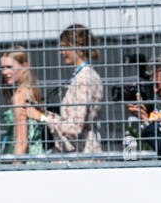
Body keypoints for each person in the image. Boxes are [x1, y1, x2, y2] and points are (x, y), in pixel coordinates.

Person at [26, 25, 104, 154]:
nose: (61, 52)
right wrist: (43, 112)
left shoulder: (84, 79)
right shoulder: (85, 76)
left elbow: (74, 128)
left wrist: (43, 118)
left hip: (82, 157)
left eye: (64, 47)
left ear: (77, 47)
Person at [0, 49, 47, 159]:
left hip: (27, 162)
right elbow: (45, 119)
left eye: (9, 67)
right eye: (2, 68)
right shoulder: (33, 93)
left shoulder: (19, 97)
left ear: (24, 66)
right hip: (39, 157)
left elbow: (22, 142)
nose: (4, 72)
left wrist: (16, 168)